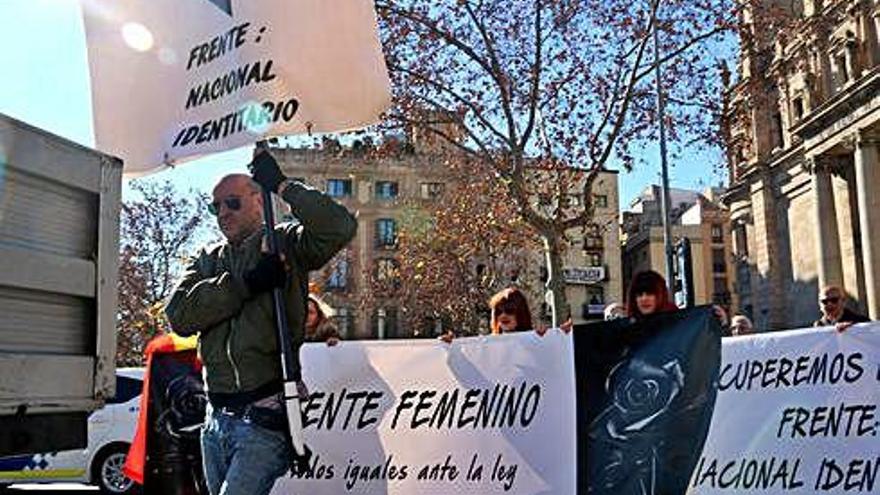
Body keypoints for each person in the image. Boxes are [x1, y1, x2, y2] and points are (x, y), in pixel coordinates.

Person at [164, 151, 357, 495]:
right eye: (216, 206)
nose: (223, 213)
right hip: (215, 418)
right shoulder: (207, 259)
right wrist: (246, 284)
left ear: (258, 200)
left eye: (233, 202)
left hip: (264, 417)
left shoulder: (287, 244)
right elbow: (179, 315)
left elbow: (339, 226)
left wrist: (284, 186)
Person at [626, 270, 728, 325]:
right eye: (639, 294)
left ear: (660, 295)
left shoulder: (678, 323)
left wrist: (720, 322)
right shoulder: (627, 329)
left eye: (650, 293)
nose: (644, 298)